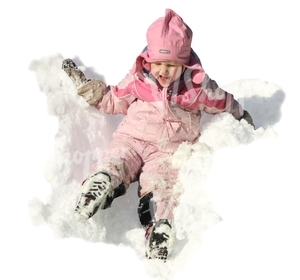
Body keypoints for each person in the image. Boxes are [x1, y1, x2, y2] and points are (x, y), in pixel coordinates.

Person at [62, 8, 254, 261]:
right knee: (118, 160)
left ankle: (159, 227)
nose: (163, 70)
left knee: (161, 185)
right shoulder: (138, 78)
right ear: (149, 60)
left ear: (184, 64)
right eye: (158, 63)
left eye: (171, 65)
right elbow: (114, 100)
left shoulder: (197, 87)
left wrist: (242, 118)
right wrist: (90, 90)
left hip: (168, 149)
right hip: (131, 138)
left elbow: (224, 102)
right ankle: (100, 183)